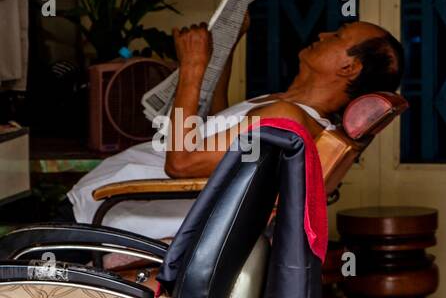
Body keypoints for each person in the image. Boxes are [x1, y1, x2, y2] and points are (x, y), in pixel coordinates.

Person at [67, 18, 403, 240]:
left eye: (338, 36)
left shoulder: (288, 118)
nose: (323, 35)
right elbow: (222, 125)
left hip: (111, 214)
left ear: (350, 66)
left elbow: (182, 163)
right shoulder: (286, 106)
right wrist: (227, 44)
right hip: (106, 206)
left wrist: (193, 68)